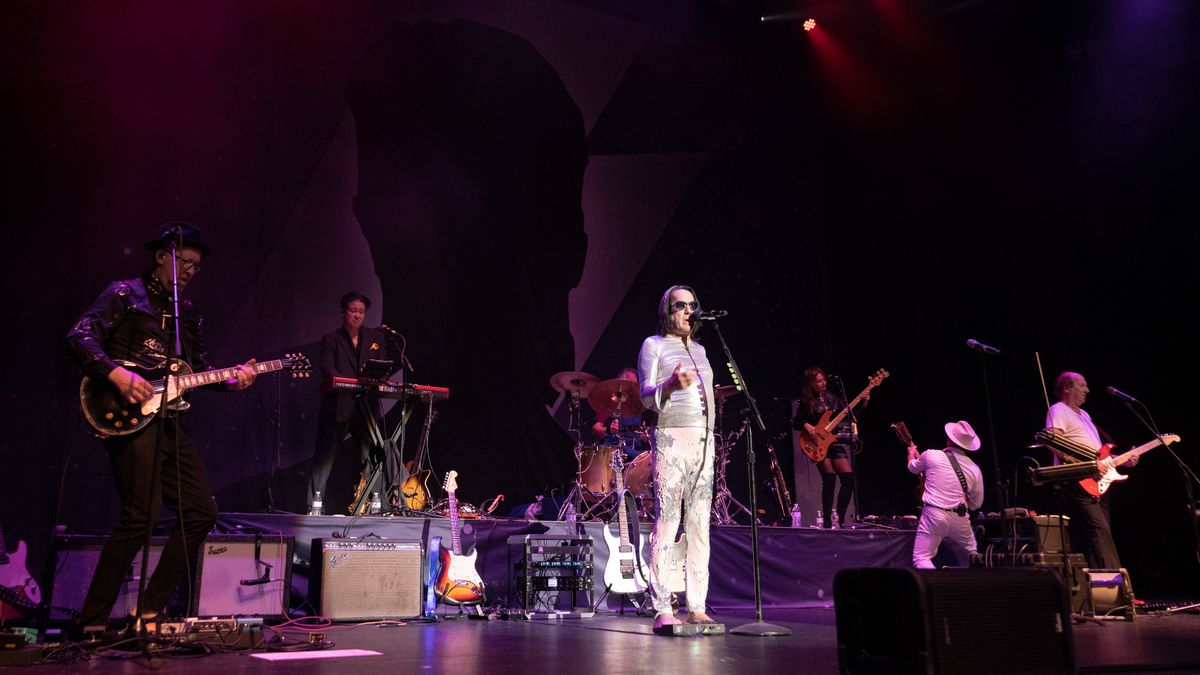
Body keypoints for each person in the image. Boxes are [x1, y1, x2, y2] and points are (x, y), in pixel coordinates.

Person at [65, 222, 257, 632]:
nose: (188, 271)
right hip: (129, 417)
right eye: (183, 262)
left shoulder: (185, 313)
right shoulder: (124, 294)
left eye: (195, 267)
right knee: (141, 517)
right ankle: (92, 622)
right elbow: (80, 337)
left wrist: (232, 380)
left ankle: (148, 610)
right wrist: (115, 373)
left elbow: (197, 372)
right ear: (160, 256)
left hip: (169, 421)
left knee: (201, 512)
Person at [638, 285, 717, 629]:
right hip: (671, 437)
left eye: (692, 305)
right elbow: (644, 396)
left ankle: (697, 605)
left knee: (700, 524)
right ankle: (662, 607)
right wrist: (669, 384)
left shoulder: (700, 349)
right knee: (668, 521)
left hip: (704, 441)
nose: (687, 311)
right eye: (679, 305)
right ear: (667, 311)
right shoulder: (653, 345)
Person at [309, 292, 389, 514]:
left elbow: (381, 366)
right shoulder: (331, 339)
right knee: (325, 456)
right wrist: (349, 383)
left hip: (366, 407)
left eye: (361, 312)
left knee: (371, 456)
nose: (357, 315)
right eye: (353, 311)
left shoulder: (375, 338)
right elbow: (327, 369)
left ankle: (376, 502)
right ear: (344, 312)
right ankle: (315, 504)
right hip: (339, 405)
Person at [1045, 371, 1132, 570]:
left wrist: (1124, 460)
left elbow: (1098, 454)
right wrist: (1079, 463)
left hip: (1096, 481)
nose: (1087, 390)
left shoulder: (1085, 415)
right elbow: (1052, 442)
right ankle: (1117, 587)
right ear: (1067, 387)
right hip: (1077, 480)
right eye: (1082, 385)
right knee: (1099, 530)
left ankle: (1097, 591)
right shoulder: (1058, 409)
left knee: (1098, 536)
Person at [906, 420, 985, 569]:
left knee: (922, 558)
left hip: (934, 514)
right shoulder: (975, 469)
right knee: (973, 557)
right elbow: (976, 504)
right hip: (960, 517)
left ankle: (938, 589)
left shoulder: (931, 455)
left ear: (949, 439)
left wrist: (911, 454)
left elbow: (913, 468)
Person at [793, 367, 861, 527]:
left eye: (824, 380)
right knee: (829, 481)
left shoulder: (833, 398)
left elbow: (849, 415)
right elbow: (796, 423)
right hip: (818, 444)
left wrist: (863, 402)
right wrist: (806, 424)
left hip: (834, 442)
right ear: (811, 384)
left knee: (848, 479)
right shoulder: (806, 401)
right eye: (819, 381)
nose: (823, 383)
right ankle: (828, 522)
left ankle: (841, 517)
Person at [591, 367, 648, 462]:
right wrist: (609, 430)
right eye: (628, 381)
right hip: (613, 451)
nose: (631, 385)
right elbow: (595, 430)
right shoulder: (609, 404)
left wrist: (643, 435)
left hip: (635, 451)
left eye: (634, 382)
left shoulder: (637, 406)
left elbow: (634, 432)